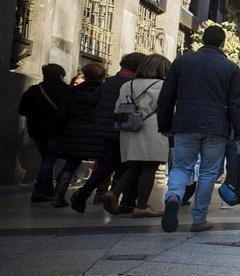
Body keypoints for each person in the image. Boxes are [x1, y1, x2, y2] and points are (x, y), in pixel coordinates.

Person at [158, 24, 240, 233]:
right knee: (208, 172)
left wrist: (165, 124)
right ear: (223, 43)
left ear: (203, 40)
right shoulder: (230, 68)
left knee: (180, 166)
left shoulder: (182, 62)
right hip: (216, 126)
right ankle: (199, 219)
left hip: (185, 123)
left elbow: (166, 96)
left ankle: (173, 196)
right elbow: (236, 104)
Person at [69, 53, 144, 213]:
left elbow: (92, 102)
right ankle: (121, 200)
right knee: (129, 165)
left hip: (106, 130)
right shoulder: (134, 85)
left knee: (108, 164)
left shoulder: (109, 82)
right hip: (126, 130)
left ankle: (97, 195)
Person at [103, 54, 171, 218]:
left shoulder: (127, 85)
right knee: (149, 168)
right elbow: (168, 110)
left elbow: (117, 108)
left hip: (130, 129)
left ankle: (113, 193)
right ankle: (142, 206)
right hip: (153, 129)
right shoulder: (162, 86)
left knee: (134, 167)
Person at [52, 63, 108, 207]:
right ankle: (99, 196)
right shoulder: (104, 92)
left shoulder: (72, 91)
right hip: (97, 132)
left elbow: (62, 114)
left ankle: (59, 195)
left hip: (74, 132)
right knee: (103, 163)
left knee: (71, 164)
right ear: (102, 76)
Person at [18, 63, 71, 202]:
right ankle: (40, 189)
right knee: (48, 160)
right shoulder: (67, 91)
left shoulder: (34, 90)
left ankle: (47, 189)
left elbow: (22, 110)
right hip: (56, 130)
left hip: (36, 130)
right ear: (60, 75)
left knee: (46, 159)